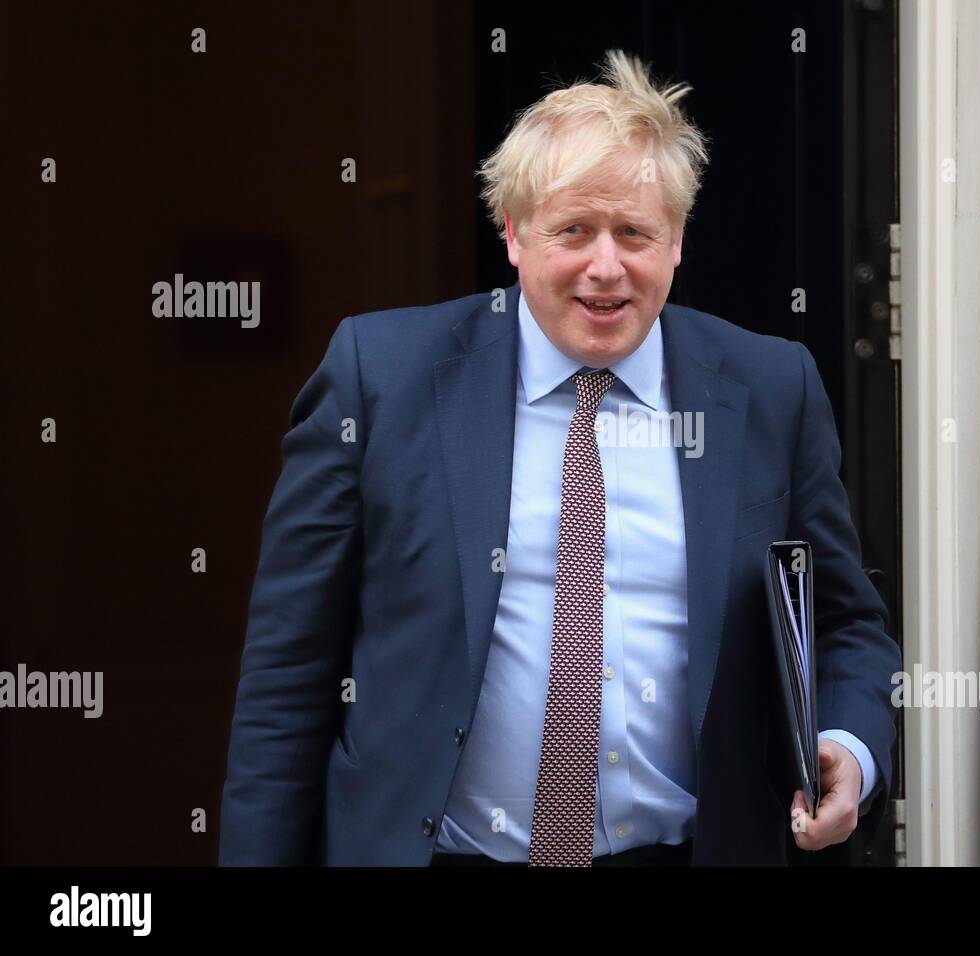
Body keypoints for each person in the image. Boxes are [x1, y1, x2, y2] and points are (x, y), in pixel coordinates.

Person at [218, 49, 900, 867]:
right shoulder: (382, 378)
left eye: (635, 233)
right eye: (573, 229)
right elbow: (287, 679)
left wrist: (849, 749)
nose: (604, 267)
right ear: (513, 234)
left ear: (677, 241)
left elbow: (846, 625)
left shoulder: (767, 388)